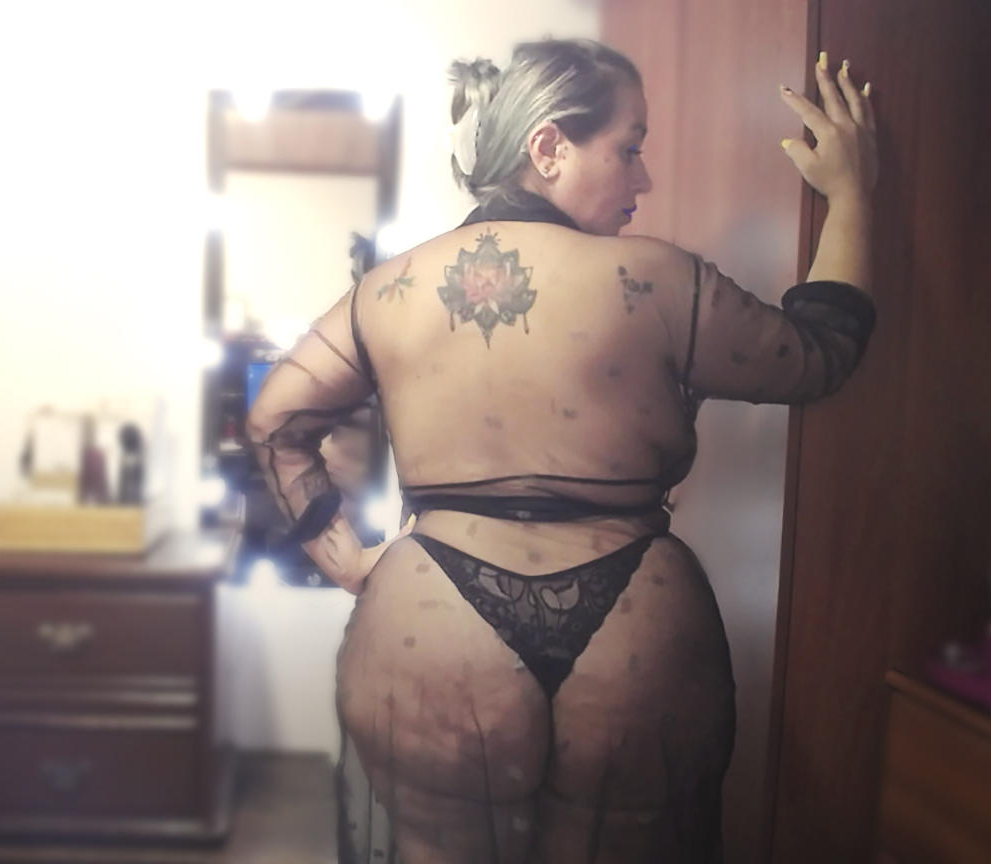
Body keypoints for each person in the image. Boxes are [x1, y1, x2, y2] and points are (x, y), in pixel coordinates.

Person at [245, 38, 878, 863]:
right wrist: (853, 195)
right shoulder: (659, 280)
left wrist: (346, 561)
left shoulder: (387, 291)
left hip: (432, 618)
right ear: (548, 146)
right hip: (636, 627)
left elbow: (274, 421)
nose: (643, 180)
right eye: (629, 149)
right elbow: (820, 355)